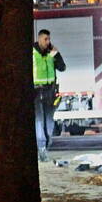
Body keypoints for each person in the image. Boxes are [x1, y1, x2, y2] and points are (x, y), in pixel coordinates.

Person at [33, 28, 66, 162]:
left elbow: (62, 67)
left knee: (49, 121)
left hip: (50, 91)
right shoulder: (31, 53)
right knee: (39, 120)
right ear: (39, 38)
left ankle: (46, 144)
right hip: (35, 92)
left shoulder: (51, 53)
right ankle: (41, 148)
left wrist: (56, 54)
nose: (48, 42)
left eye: (49, 39)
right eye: (45, 39)